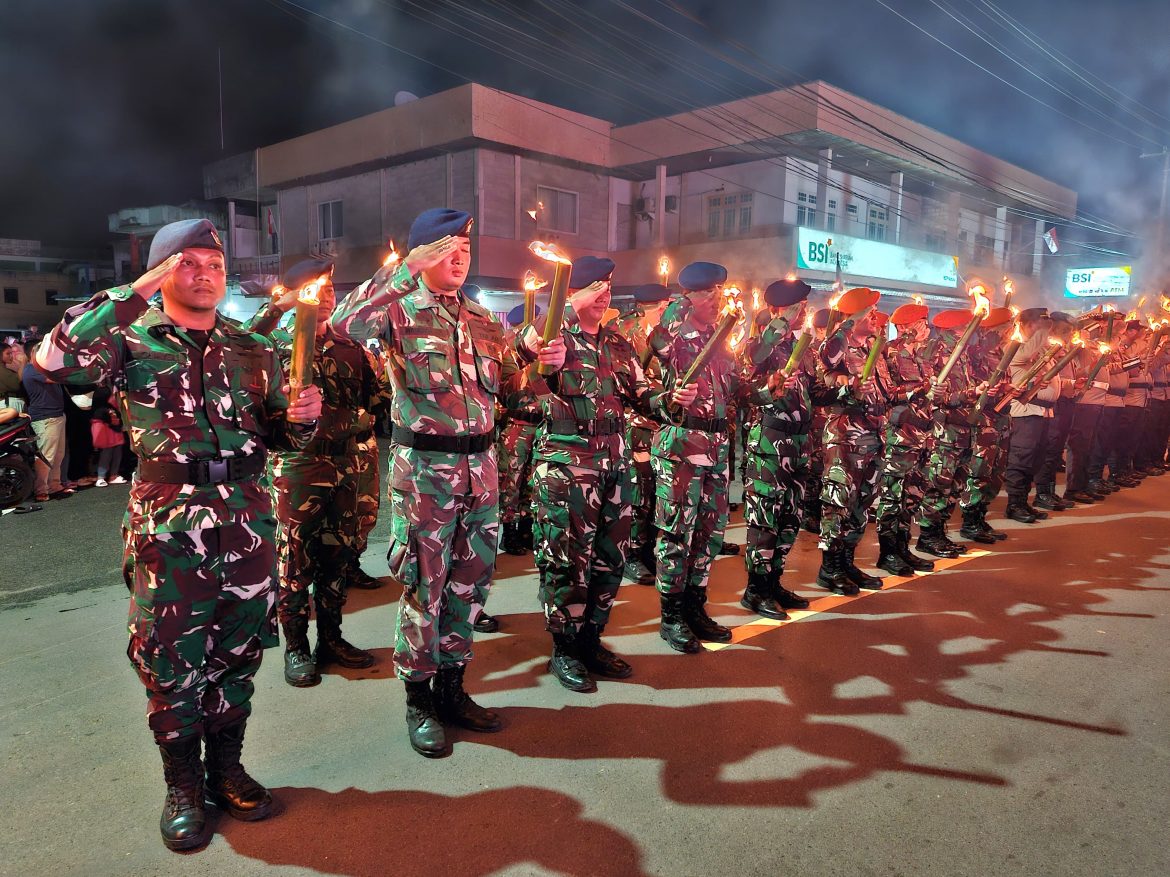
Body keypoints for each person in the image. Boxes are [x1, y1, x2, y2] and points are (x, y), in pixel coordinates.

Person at [33, 218, 322, 851]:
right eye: (187, 263)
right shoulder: (129, 340)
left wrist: (300, 420)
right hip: (170, 526)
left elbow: (278, 434)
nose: (204, 274)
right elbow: (54, 360)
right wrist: (134, 292)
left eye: (214, 265)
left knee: (239, 652)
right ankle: (184, 785)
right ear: (161, 273)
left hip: (248, 519)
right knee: (171, 658)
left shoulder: (253, 346)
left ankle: (226, 769)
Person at [330, 207, 565, 757]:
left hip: (481, 473)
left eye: (463, 249)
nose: (458, 258)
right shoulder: (397, 313)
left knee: (469, 585)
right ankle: (419, 701)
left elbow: (509, 387)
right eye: (445, 250)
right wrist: (406, 269)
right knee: (423, 586)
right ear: (421, 257)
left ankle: (454, 689)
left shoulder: (483, 320)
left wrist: (538, 360)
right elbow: (343, 324)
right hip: (425, 477)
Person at [245, 257, 391, 688]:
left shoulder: (352, 349)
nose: (326, 294)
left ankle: (332, 639)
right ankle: (296, 646)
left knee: (338, 557)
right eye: (315, 287)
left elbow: (379, 401)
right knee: (294, 559)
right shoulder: (271, 347)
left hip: (347, 466)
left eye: (329, 287)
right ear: (294, 296)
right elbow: (245, 341)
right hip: (298, 467)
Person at [529, 256, 671, 690]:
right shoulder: (547, 335)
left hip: (615, 465)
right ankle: (565, 648)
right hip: (568, 465)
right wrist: (541, 356)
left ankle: (592, 638)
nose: (604, 294)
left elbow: (643, 396)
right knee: (566, 561)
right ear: (569, 294)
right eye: (593, 286)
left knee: (611, 559)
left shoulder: (617, 343)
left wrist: (674, 400)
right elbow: (520, 382)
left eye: (608, 286)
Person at [645, 262, 737, 653]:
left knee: (709, 534)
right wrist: (683, 301)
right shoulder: (674, 340)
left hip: (716, 445)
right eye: (710, 294)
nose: (718, 300)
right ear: (692, 298)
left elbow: (737, 389)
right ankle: (672, 616)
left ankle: (696, 606)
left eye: (720, 292)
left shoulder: (720, 341)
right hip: (682, 446)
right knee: (676, 534)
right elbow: (657, 337)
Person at [738, 278, 818, 618]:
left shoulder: (803, 348)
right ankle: (755, 589)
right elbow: (745, 387)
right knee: (765, 518)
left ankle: (773, 582)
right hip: (771, 443)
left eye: (804, 306)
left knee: (791, 516)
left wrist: (847, 391)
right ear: (775, 312)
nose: (802, 312)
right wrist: (779, 325)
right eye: (795, 308)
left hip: (800, 443)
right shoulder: (759, 346)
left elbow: (813, 395)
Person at [815, 290, 889, 594]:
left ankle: (846, 561)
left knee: (862, 504)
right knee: (838, 502)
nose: (874, 317)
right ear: (854, 316)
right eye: (868, 312)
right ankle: (829, 567)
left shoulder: (873, 346)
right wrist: (847, 323)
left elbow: (885, 391)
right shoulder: (836, 347)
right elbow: (825, 359)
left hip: (873, 438)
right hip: (845, 438)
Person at [615, 284, 673, 586]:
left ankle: (648, 548)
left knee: (655, 490)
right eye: (663, 305)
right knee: (638, 490)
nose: (667, 310)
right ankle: (632, 554)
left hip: (659, 421)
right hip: (633, 422)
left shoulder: (665, 334)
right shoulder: (625, 331)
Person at [872, 302, 937, 574]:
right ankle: (887, 553)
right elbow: (888, 393)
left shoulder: (921, 355)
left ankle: (902, 548)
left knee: (912, 494)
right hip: (899, 435)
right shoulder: (890, 352)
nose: (927, 327)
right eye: (922, 322)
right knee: (893, 495)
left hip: (921, 434)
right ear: (905, 327)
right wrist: (918, 389)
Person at [1004, 308, 1062, 522]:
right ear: (1028, 326)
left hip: (1042, 412)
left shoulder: (1041, 350)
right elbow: (1028, 353)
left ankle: (1023, 502)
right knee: (1021, 459)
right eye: (1040, 325)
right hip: (1025, 412)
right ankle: (1013, 504)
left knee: (1035, 460)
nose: (1046, 331)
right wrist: (1043, 329)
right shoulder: (1015, 347)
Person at [20, 340, 72, 502]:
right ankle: (41, 489)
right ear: (34, 352)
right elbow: (56, 378)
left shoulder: (39, 369)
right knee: (46, 456)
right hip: (45, 417)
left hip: (55, 415)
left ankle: (54, 485)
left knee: (57, 455)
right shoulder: (32, 369)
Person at [90, 387, 127, 486]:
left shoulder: (111, 407)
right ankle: (101, 477)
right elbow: (99, 424)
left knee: (117, 454)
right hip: (106, 436)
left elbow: (118, 418)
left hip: (116, 436)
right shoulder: (98, 411)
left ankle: (113, 475)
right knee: (105, 455)